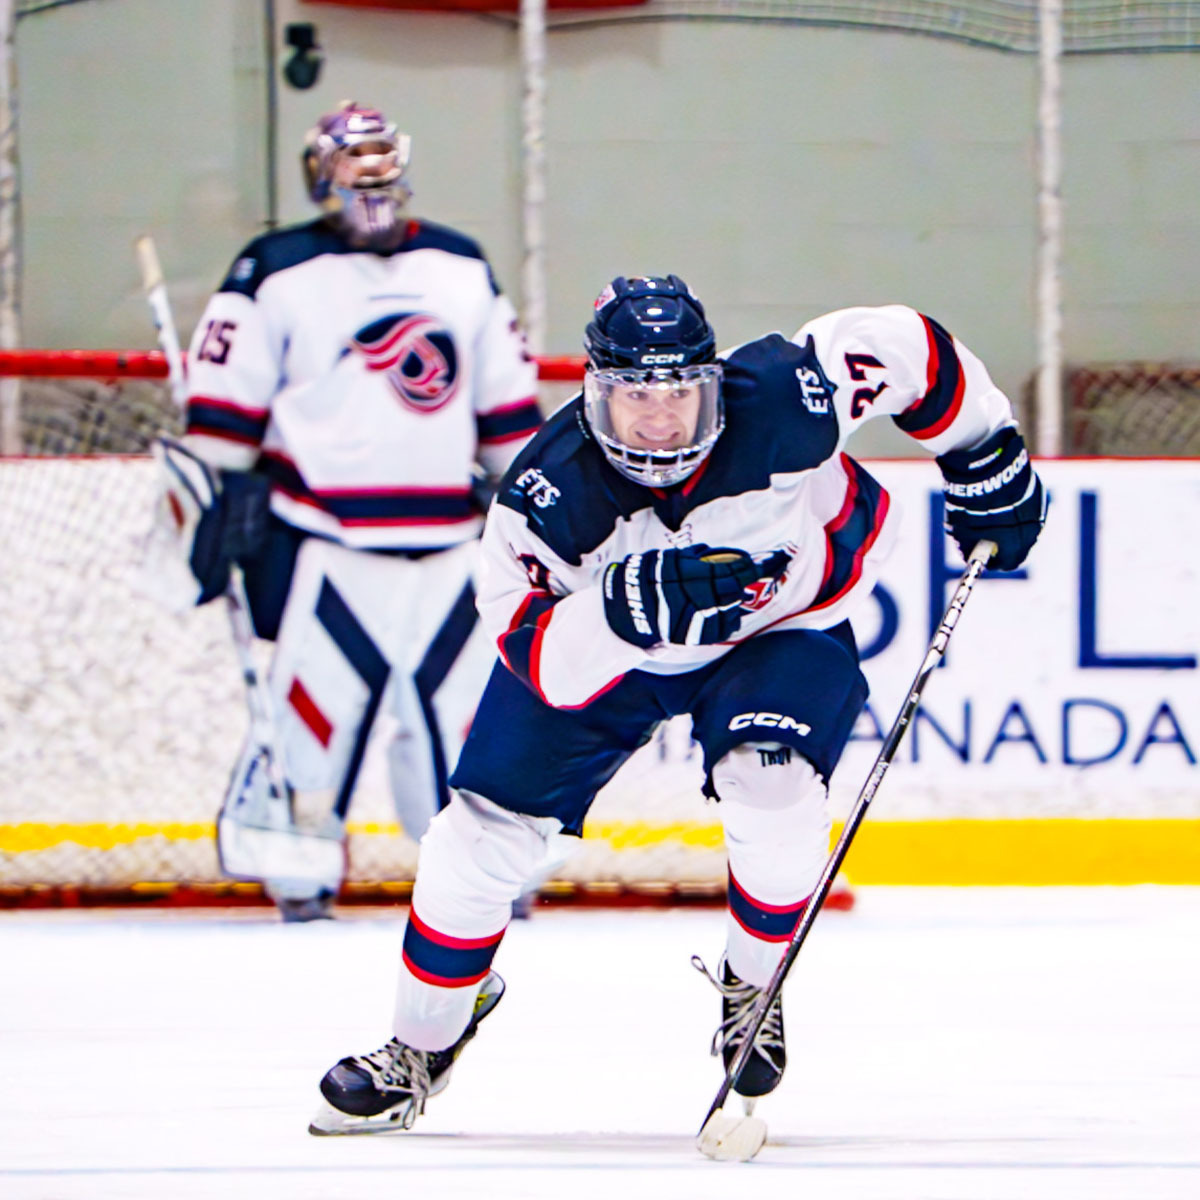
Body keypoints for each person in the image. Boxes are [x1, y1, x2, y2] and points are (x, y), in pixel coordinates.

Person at [309, 274, 1047, 1132]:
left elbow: (908, 345)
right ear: (594, 394)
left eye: (682, 397)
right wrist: (620, 612)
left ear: (714, 385)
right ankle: (420, 1045)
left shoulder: (785, 393)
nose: (660, 422)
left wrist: (984, 450)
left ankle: (751, 984)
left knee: (772, 788)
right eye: (634, 400)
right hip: (609, 657)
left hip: (780, 631)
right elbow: (529, 648)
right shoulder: (548, 495)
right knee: (476, 838)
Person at [151, 102, 542, 921]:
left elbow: (507, 418)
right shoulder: (271, 268)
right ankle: (298, 871)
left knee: (468, 723)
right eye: (350, 163)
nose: (369, 182)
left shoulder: (462, 266)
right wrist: (206, 507)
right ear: (318, 176)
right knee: (313, 719)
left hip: (451, 548)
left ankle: (485, 882)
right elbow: (222, 422)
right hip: (324, 543)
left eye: (379, 161)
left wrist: (538, 515)